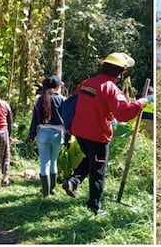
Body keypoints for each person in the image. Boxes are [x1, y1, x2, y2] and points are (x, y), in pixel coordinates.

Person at [62, 52, 152, 216]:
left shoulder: (86, 84)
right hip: (97, 136)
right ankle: (95, 206)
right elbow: (123, 114)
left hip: (80, 132)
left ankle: (73, 181)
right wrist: (141, 102)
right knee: (98, 172)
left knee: (89, 160)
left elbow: (72, 102)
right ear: (120, 72)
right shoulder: (111, 89)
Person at [28, 75, 66, 196]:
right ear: (56, 87)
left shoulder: (40, 99)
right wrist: (69, 137)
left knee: (44, 163)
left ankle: (45, 192)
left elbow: (35, 120)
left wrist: (31, 135)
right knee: (53, 161)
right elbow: (68, 119)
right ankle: (52, 189)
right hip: (57, 134)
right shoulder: (62, 100)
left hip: (43, 133)